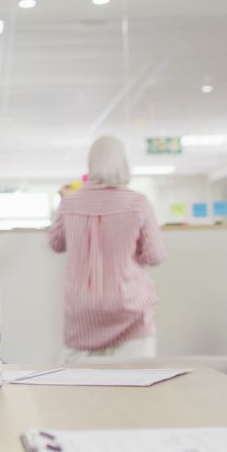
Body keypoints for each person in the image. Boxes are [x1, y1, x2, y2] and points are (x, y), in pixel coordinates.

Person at [48, 135, 167, 362]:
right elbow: (156, 255)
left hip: (82, 313)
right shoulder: (138, 203)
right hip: (130, 309)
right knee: (135, 389)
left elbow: (56, 243)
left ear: (91, 163)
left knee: (78, 390)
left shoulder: (69, 204)